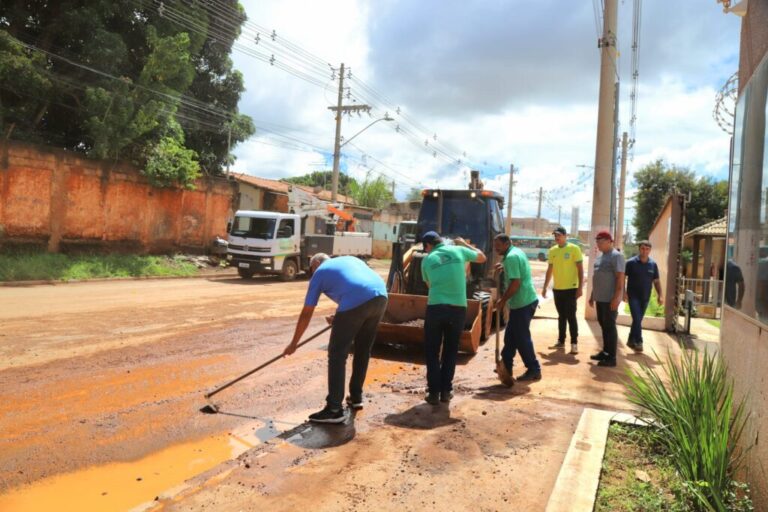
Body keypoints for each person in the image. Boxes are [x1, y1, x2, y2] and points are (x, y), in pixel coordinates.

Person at [283, 253, 388, 424]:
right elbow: (355, 286)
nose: (312, 272)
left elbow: (307, 312)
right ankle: (356, 397)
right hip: (381, 297)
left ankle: (334, 409)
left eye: (312, 268)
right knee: (363, 350)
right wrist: (341, 316)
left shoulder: (320, 272)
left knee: (337, 354)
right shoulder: (349, 260)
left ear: (316, 263)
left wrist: (293, 343)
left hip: (357, 301)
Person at [421, 231, 486, 405]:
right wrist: (464, 244)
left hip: (436, 308)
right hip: (458, 309)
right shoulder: (459, 251)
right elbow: (482, 257)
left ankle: (433, 393)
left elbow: (429, 285)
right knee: (450, 351)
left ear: (427, 246)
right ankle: (446, 391)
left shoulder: (427, 260)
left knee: (432, 351)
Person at [494, 234, 542, 382]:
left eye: (498, 246)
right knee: (510, 337)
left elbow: (515, 283)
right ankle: (506, 365)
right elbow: (517, 270)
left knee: (521, 338)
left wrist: (502, 300)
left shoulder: (511, 257)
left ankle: (534, 369)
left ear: (506, 243)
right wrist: (504, 267)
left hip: (523, 302)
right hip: (522, 302)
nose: (496, 249)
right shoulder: (516, 252)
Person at [541, 226, 584, 354]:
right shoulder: (552, 250)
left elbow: (580, 269)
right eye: (555, 236)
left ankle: (574, 343)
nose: (557, 238)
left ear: (565, 236)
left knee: (571, 316)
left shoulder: (574, 249)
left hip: (571, 288)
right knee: (561, 316)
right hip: (557, 289)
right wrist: (545, 287)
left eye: (559, 235)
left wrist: (580, 287)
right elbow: (550, 270)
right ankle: (561, 341)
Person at [589, 230, 625, 367]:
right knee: (603, 325)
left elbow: (620, 278)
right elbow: (597, 278)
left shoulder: (616, 256)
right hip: (600, 298)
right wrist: (593, 295)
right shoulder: (600, 256)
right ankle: (605, 352)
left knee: (609, 326)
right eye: (597, 241)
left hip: (610, 298)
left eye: (601, 241)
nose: (598, 244)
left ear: (610, 242)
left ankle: (612, 357)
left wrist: (616, 298)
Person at [623, 240, 663, 353]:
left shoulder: (653, 264)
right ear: (639, 249)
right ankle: (639, 342)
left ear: (650, 250)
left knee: (638, 319)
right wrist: (623, 292)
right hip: (633, 295)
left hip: (645, 297)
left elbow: (656, 281)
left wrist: (660, 295)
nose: (644, 251)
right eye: (642, 249)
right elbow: (623, 278)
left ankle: (631, 339)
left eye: (647, 249)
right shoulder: (630, 263)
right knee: (637, 318)